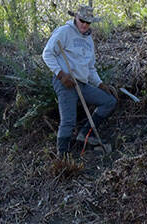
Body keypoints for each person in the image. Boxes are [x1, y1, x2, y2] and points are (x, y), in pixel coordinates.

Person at [42, 5, 117, 156]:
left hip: (82, 84)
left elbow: (90, 68)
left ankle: (85, 134)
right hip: (65, 83)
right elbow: (47, 54)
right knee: (68, 121)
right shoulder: (64, 32)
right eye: (82, 20)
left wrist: (100, 83)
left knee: (109, 101)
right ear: (76, 18)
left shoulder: (89, 41)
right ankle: (62, 157)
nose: (84, 24)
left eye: (87, 22)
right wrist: (61, 75)